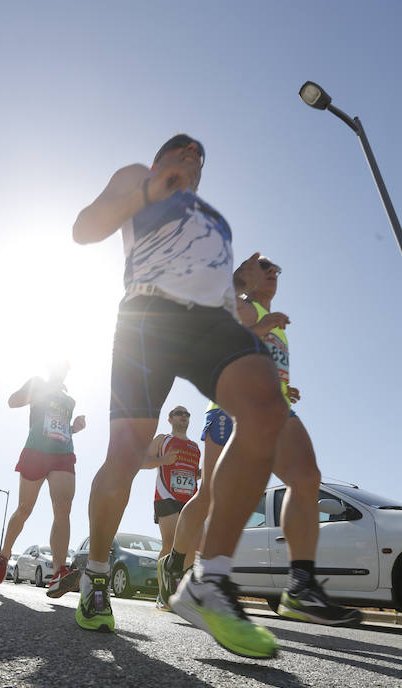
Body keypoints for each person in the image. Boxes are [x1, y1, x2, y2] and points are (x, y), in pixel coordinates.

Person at [72, 132, 289, 658]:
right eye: (181, 149)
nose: (192, 156)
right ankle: (96, 575)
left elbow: (220, 297)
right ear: (159, 158)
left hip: (205, 327)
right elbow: (84, 230)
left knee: (265, 413)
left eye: (199, 155)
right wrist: (146, 193)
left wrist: (253, 331)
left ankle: (207, 582)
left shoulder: (211, 220)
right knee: (126, 452)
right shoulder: (134, 178)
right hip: (146, 318)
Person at [156, 253, 362, 627]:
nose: (271, 273)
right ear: (249, 275)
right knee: (212, 495)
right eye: (263, 266)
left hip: (275, 407)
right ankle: (177, 561)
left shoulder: (278, 325)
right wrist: (260, 326)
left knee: (306, 479)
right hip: (230, 407)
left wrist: (285, 386)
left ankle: (300, 586)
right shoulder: (242, 306)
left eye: (276, 269)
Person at [0, 361, 86, 598]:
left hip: (63, 453)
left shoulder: (69, 400)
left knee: (63, 507)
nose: (62, 370)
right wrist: (34, 391)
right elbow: (13, 401)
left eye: (66, 367)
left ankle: (59, 573)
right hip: (36, 451)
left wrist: (73, 428)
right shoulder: (37, 383)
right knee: (25, 508)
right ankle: (3, 555)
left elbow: (59, 427)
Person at [141, 406, 200, 610]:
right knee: (170, 544)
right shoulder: (162, 439)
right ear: (170, 419)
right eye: (179, 413)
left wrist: (203, 473)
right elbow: (142, 461)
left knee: (192, 547)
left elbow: (193, 474)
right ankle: (162, 594)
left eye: (187, 413)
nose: (184, 415)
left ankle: (179, 593)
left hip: (191, 500)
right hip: (166, 496)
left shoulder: (194, 447)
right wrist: (163, 460)